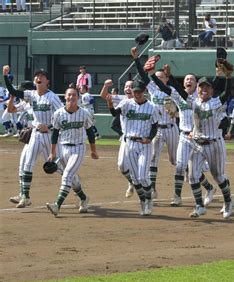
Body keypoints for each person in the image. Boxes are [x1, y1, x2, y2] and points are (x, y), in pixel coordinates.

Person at [3, 66, 82, 208]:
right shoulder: (31, 94)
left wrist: (50, 126)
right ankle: (25, 196)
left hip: (50, 137)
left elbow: (63, 115)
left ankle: (78, 188)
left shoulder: (52, 97)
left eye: (42, 76)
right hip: (35, 134)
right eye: (37, 76)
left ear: (47, 81)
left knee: (57, 167)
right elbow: (14, 92)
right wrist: (5, 76)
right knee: (27, 163)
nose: (39, 78)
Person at [161, 68, 216, 207]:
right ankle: (177, 196)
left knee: (194, 171)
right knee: (180, 166)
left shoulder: (200, 100)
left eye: (192, 79)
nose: (189, 81)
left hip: (198, 138)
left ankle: (209, 188)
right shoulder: (179, 96)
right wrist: (155, 76)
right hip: (184, 136)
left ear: (197, 84)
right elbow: (164, 87)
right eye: (186, 79)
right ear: (184, 83)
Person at [107, 79, 160, 216]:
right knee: (135, 178)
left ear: (144, 92)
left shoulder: (152, 107)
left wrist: (149, 138)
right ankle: (143, 201)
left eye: (139, 91)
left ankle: (148, 200)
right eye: (135, 91)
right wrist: (109, 105)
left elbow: (155, 126)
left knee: (143, 176)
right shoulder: (126, 103)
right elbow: (115, 114)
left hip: (144, 144)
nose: (137, 94)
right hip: (129, 143)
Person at [186, 69, 234, 219]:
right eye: (201, 86)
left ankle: (228, 201)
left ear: (212, 90)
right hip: (197, 144)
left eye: (207, 87)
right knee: (193, 176)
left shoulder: (215, 102)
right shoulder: (193, 102)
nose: (204, 89)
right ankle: (199, 206)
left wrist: (227, 77)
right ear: (197, 89)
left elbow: (226, 93)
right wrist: (169, 76)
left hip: (215, 144)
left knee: (218, 176)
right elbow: (173, 91)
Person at [132, 49, 179, 199]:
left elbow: (180, 108)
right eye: (156, 77)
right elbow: (142, 74)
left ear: (166, 79)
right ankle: (152, 189)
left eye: (160, 77)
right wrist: (136, 58)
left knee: (174, 160)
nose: (157, 79)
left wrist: (175, 111)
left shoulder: (171, 91)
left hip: (171, 128)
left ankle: (193, 175)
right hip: (157, 128)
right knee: (153, 158)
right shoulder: (152, 89)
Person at [45, 87, 99, 217]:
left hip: (78, 148)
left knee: (67, 175)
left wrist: (93, 150)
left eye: (74, 95)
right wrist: (52, 153)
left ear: (78, 97)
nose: (71, 97)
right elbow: (55, 134)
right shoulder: (58, 113)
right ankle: (84, 198)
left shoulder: (84, 113)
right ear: (65, 97)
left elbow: (90, 132)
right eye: (69, 95)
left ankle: (57, 205)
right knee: (72, 178)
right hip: (63, 148)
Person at [100, 79, 135, 198]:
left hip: (140, 139)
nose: (128, 88)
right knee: (121, 165)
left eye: (131, 86)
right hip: (126, 137)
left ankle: (147, 192)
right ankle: (132, 182)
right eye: (126, 86)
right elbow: (104, 95)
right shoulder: (121, 99)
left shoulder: (143, 102)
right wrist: (105, 85)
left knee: (140, 167)